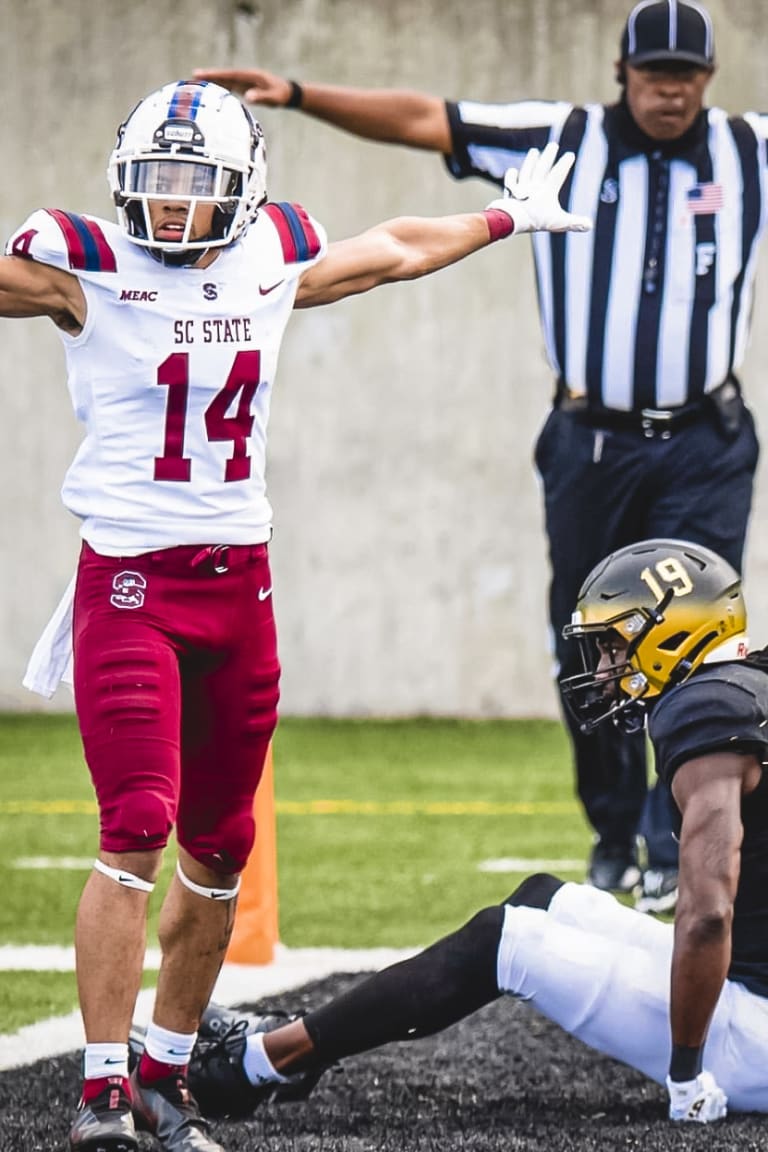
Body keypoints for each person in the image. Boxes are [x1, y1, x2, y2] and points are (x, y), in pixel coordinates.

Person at [1, 79, 589, 1152]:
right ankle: (99, 1095)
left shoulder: (270, 255)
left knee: (221, 844)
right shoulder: (82, 267)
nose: (172, 211)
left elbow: (394, 247)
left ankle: (166, 1077)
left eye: (195, 189)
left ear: (241, 189)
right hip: (130, 582)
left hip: (238, 586)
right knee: (135, 821)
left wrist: (504, 217)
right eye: (157, 188)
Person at [195, 0, 768, 911]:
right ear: (622, 71)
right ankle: (615, 826)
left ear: (708, 79)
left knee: (695, 638)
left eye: (686, 77)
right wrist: (296, 92)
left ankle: (672, 836)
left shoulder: (750, 150)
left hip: (707, 439)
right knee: (589, 639)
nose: (670, 91)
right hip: (591, 439)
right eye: (654, 74)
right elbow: (429, 118)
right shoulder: (560, 138)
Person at [148, 537, 768, 1125]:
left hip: (754, 1031)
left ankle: (255, 1067)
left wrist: (686, 1079)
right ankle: (296, 1046)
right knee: (542, 897)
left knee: (501, 941)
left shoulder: (705, 709)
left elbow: (708, 914)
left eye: (614, 648)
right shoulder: (750, 685)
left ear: (668, 639)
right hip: (754, 992)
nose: (605, 669)